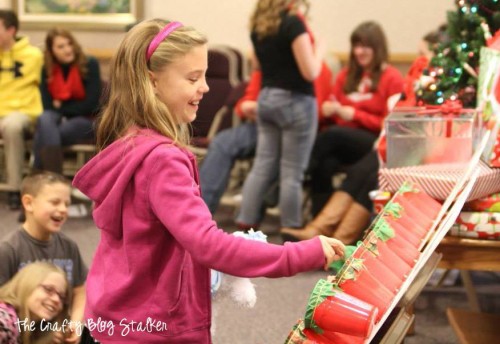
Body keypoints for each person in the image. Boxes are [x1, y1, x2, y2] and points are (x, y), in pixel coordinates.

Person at [71, 18, 345, 343]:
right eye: (192, 77)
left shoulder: (132, 142)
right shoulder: (162, 160)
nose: (206, 87)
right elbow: (208, 245)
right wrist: (303, 253)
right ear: (152, 81)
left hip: (112, 321)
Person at [281, 21, 404, 243]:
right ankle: (319, 231)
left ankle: (290, 178)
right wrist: (331, 110)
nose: (359, 52)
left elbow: (390, 125)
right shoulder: (347, 74)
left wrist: (353, 115)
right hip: (345, 143)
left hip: (373, 140)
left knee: (331, 136)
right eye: (356, 46)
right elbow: (333, 109)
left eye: (365, 46)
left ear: (378, 48)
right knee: (326, 161)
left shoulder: (392, 77)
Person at [235, 0, 325, 231]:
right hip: (296, 102)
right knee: (291, 173)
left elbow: (257, 65)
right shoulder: (293, 23)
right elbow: (310, 71)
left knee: (263, 164)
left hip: (267, 98)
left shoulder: (259, 25)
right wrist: (320, 50)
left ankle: (246, 220)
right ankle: (291, 228)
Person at [200, 59, 333, 215]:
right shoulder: (268, 61)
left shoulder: (317, 68)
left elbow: (317, 112)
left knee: (274, 157)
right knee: (222, 142)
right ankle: (201, 212)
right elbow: (245, 102)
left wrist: (273, 110)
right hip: (261, 125)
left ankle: (253, 214)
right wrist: (246, 106)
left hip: (296, 133)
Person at [0, 171, 87, 344]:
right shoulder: (8, 249)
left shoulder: (69, 246)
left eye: (66, 204)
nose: (63, 209)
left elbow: (80, 289)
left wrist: (76, 323)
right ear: (28, 203)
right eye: (55, 202)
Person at [33, 27, 101, 174]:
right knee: (45, 117)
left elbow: (92, 104)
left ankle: (43, 175)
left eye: (69, 44)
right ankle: (54, 176)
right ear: (51, 51)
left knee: (44, 134)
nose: (67, 49)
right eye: (61, 46)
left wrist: (61, 106)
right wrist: (62, 108)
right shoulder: (47, 69)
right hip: (55, 118)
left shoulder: (90, 64)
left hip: (85, 119)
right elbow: (47, 106)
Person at [0, 10, 43, 210]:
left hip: (22, 112)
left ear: (11, 30)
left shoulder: (33, 56)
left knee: (12, 126)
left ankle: (14, 188)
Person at [0, 261, 69, 344]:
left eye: (61, 297)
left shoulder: (30, 328)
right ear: (26, 285)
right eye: (48, 289)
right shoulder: (3, 321)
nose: (56, 300)